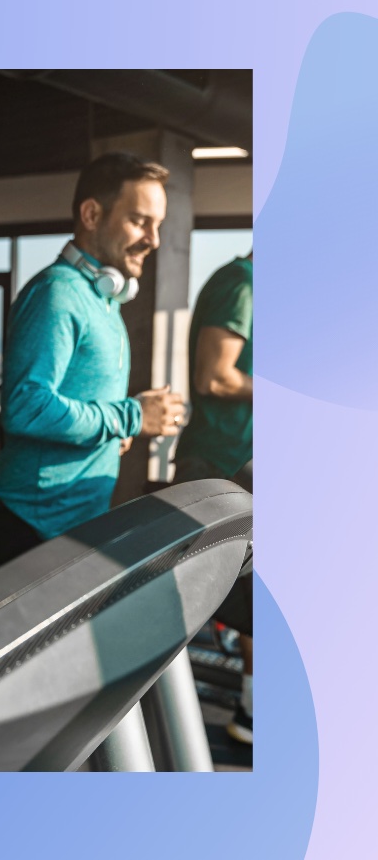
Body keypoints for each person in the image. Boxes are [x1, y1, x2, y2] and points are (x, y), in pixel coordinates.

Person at [0, 152, 187, 570]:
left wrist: (115, 430)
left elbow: (83, 403)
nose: (154, 239)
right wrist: (130, 417)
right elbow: (25, 408)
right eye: (140, 221)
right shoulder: (57, 293)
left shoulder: (102, 299)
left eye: (157, 226)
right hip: (29, 528)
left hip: (72, 527)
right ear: (91, 214)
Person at [173, 251, 253, 745]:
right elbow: (214, 376)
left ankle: (251, 705)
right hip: (219, 466)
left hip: (236, 463)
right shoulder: (243, 283)